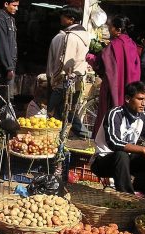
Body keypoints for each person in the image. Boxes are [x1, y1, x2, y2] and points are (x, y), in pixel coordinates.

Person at [91, 81, 145, 199]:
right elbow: (114, 143)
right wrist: (143, 149)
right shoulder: (114, 113)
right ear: (127, 99)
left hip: (126, 162)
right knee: (122, 155)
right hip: (103, 161)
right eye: (140, 99)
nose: (143, 103)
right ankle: (127, 198)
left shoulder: (143, 116)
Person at [91, 15, 141, 138]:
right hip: (130, 86)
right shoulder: (132, 44)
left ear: (118, 30)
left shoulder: (113, 45)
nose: (109, 29)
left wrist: (92, 58)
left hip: (114, 86)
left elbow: (102, 66)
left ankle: (107, 138)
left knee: (109, 113)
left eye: (110, 27)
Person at [46, 6, 91, 138]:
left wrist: (54, 79)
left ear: (71, 19)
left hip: (65, 81)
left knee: (51, 111)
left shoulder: (70, 36)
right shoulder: (85, 35)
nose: (61, 18)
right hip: (77, 79)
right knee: (68, 111)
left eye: (63, 16)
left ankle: (55, 138)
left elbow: (65, 63)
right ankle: (80, 135)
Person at [0, 0, 19, 85]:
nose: (16, 8)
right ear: (6, 4)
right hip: (1, 66)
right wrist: (9, 67)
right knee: (3, 94)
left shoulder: (11, 19)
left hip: (10, 63)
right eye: (14, 5)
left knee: (8, 95)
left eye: (17, 6)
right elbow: (2, 44)